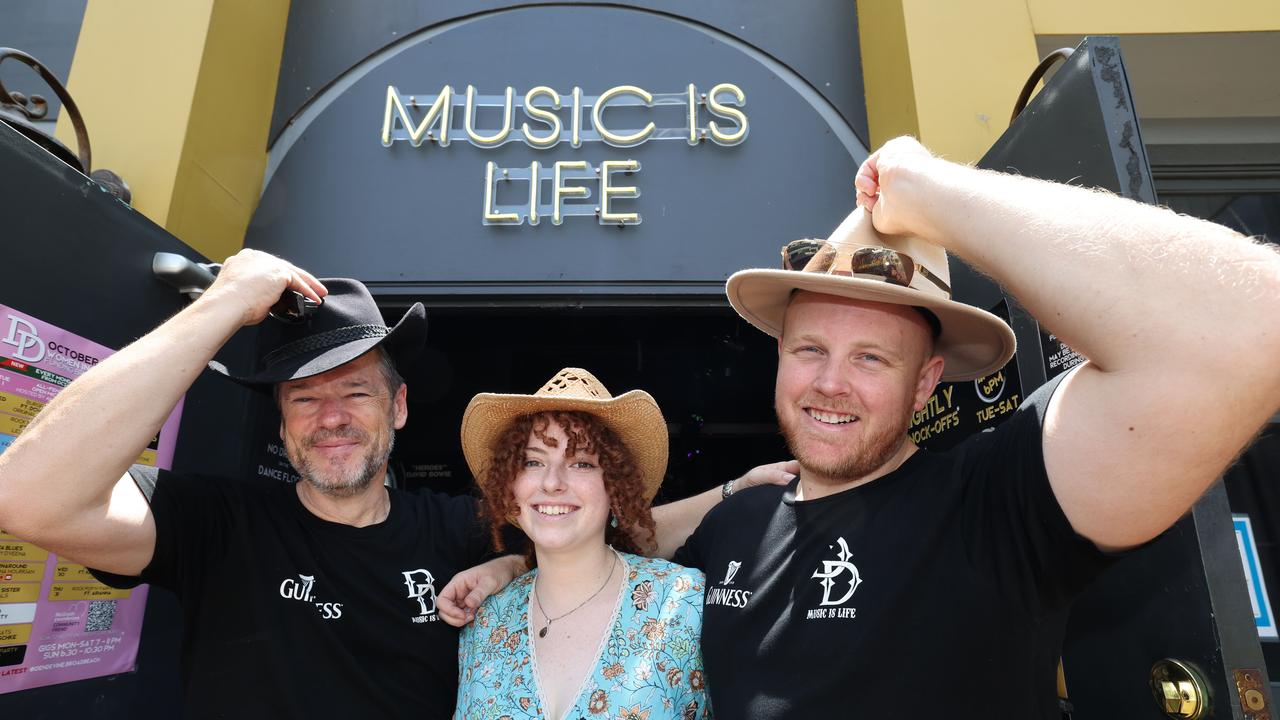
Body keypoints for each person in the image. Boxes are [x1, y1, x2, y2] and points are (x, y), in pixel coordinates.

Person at [0, 253, 794, 718]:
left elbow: (594, 524)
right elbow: (27, 496)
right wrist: (220, 305)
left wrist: (732, 494)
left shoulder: (455, 531)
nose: (331, 417)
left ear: (400, 406)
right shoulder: (214, 523)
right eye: (304, 397)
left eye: (356, 392)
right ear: (280, 425)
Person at [665, 136, 1280, 718]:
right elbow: (601, 545)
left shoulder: (991, 505)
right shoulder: (734, 523)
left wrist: (928, 190)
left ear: (926, 382)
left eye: (870, 358)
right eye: (808, 350)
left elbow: (1257, 321)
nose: (830, 382)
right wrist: (724, 494)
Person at [453, 368, 708, 720]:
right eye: (533, 461)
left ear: (615, 487)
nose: (552, 482)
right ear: (510, 483)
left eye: (582, 463)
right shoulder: (485, 621)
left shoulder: (684, 603)